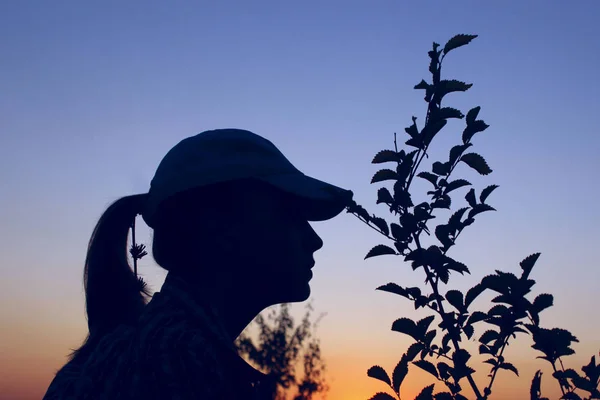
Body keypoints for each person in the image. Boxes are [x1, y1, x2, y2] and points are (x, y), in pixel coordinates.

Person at [43, 128, 353, 400]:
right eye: (290, 214)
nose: (314, 240)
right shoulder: (183, 358)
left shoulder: (127, 352)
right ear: (219, 226)